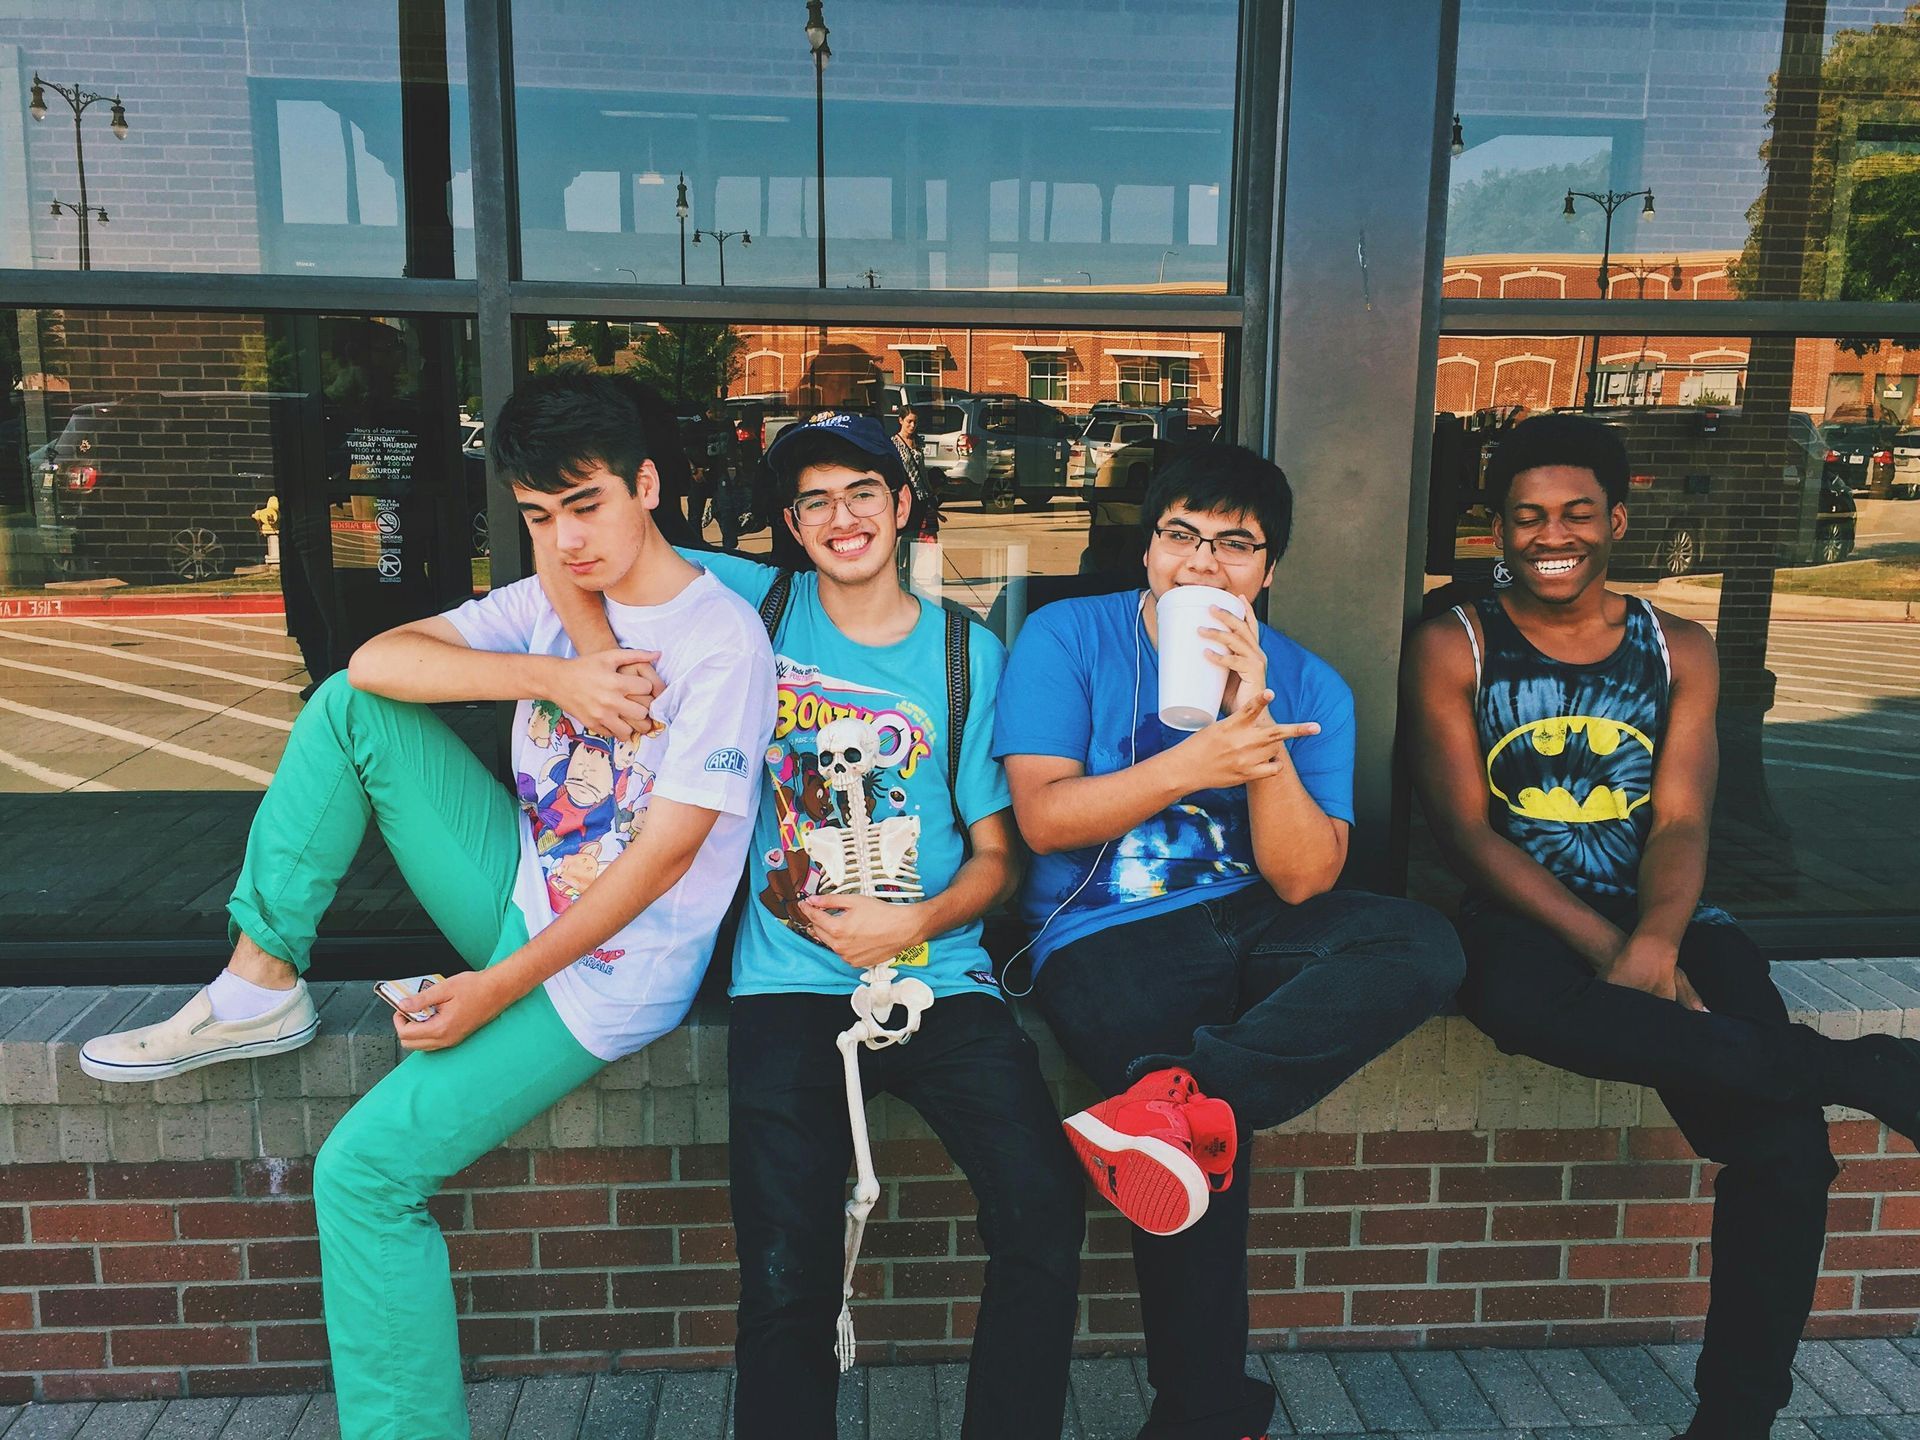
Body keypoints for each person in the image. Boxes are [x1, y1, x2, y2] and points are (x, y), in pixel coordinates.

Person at [79, 370, 776, 1440]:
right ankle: (259, 982)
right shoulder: (554, 602)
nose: (567, 539)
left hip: (604, 973)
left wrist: (494, 988)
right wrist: (557, 676)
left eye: (585, 506)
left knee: (362, 1176)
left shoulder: (719, 642)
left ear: (646, 485)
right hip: (515, 886)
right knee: (349, 705)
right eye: (540, 516)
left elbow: (669, 859)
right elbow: (375, 660)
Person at [544, 410, 1084, 1440]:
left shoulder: (968, 655)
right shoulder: (753, 606)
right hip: (787, 986)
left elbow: (1000, 857)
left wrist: (913, 920)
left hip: (938, 976)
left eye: (863, 494)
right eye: (816, 501)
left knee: (1041, 1207)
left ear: (903, 507)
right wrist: (584, 664)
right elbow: (586, 552)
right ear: (792, 525)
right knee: (786, 1264)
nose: (843, 518)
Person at [1401, 412, 1920, 1440]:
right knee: (1510, 997)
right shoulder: (1452, 640)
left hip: (1671, 911)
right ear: (1499, 529)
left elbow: (1682, 817)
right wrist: (1609, 950)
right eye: (1529, 516)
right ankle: (1861, 1070)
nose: (1555, 535)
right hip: (1521, 913)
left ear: (1619, 519)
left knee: (1786, 1156)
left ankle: (1735, 1422)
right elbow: (1465, 831)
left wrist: (1657, 937)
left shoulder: (1676, 647)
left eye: (1578, 513)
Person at [994, 443, 1465, 1440]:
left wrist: (1255, 744)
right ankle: (1207, 1413)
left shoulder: (1309, 685)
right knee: (1198, 1127)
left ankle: (1181, 1112)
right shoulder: (1066, 638)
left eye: (1236, 546)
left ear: (1270, 569)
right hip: (1099, 933)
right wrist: (1192, 759)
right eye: (1182, 537)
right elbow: (1044, 821)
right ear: (1151, 547)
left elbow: (1304, 880)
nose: (1204, 565)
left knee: (1421, 946)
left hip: (1253, 917)